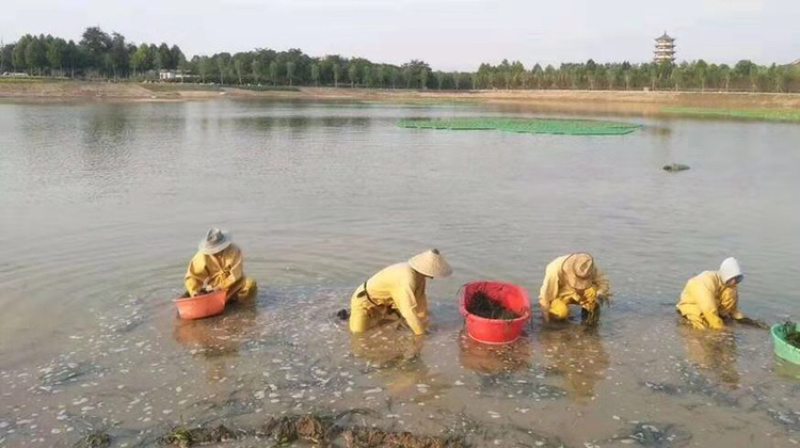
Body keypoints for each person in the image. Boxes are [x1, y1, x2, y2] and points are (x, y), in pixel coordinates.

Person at [349, 249, 452, 336]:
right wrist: (420, 335)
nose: (434, 276)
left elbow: (420, 302)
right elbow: (408, 311)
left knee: (386, 327)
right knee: (359, 335)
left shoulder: (419, 277)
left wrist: (424, 321)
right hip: (365, 301)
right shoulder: (407, 279)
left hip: (386, 303)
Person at [676, 257, 765, 330]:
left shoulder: (730, 284)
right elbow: (708, 309)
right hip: (695, 306)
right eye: (732, 278)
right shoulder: (704, 281)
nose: (734, 281)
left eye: (737, 278)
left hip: (714, 307)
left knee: (729, 293)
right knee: (704, 329)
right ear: (726, 274)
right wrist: (721, 329)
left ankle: (720, 319)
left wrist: (744, 319)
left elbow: (733, 308)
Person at [184, 228, 257, 301]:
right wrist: (194, 292)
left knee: (250, 284)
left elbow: (236, 272)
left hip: (236, 285)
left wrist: (221, 287)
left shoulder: (234, 250)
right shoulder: (201, 257)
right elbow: (193, 276)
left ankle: (245, 308)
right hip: (213, 289)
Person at [538, 253, 611, 324]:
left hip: (581, 293)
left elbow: (602, 282)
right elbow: (545, 298)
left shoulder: (587, 266)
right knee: (560, 313)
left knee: (594, 295)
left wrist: (599, 294)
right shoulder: (554, 269)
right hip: (560, 295)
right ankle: (560, 320)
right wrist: (546, 322)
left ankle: (589, 320)